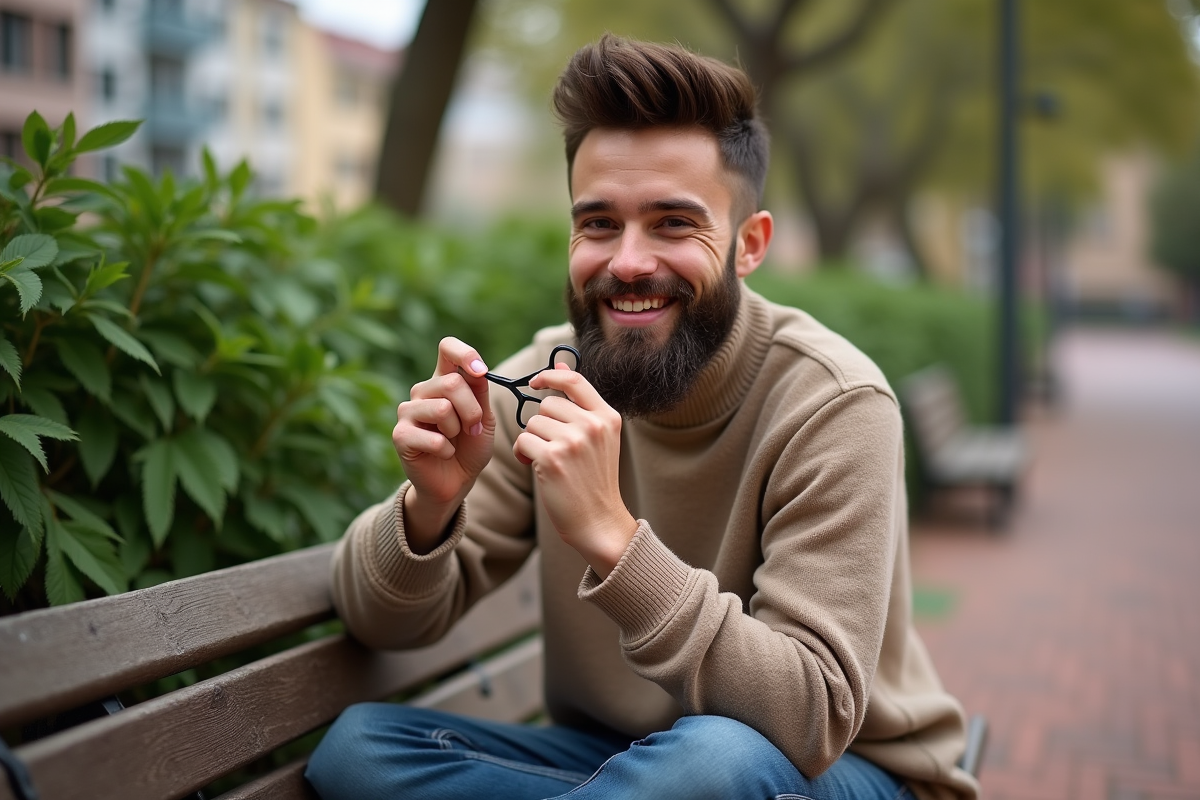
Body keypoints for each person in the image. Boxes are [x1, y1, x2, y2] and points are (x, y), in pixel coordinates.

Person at [305, 34, 979, 800]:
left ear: (749, 245)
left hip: (840, 771)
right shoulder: (540, 383)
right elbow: (378, 621)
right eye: (598, 224)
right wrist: (427, 507)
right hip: (617, 763)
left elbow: (810, 716)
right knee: (361, 750)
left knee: (711, 762)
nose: (627, 262)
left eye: (672, 224)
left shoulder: (832, 403)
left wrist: (614, 539)